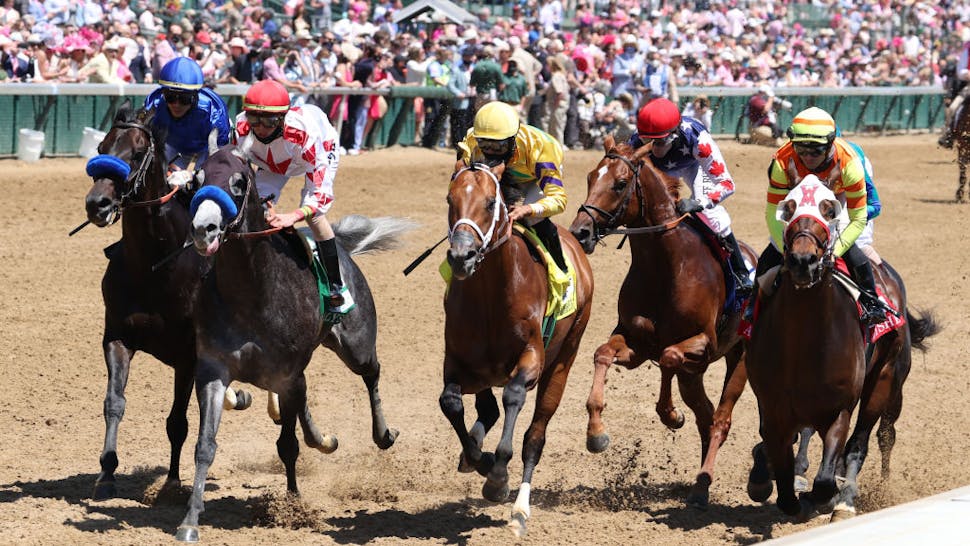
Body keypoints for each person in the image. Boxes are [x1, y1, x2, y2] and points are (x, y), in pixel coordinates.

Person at [755, 107, 892, 325]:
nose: (808, 157)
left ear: (830, 143)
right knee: (767, 257)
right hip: (800, 204)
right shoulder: (782, 159)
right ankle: (751, 307)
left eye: (816, 151)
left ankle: (872, 302)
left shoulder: (850, 162)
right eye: (801, 150)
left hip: (837, 204)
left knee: (856, 253)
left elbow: (860, 217)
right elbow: (773, 211)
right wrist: (784, 248)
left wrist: (835, 251)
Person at [235, 80, 347, 308]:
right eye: (254, 119)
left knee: (313, 215)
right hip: (272, 162)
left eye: (268, 120)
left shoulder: (306, 136)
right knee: (254, 204)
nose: (260, 127)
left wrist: (293, 216)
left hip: (316, 149)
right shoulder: (240, 128)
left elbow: (320, 196)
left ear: (283, 118)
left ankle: (335, 284)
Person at [629, 97, 753, 297]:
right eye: (647, 142)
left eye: (661, 142)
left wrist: (699, 203)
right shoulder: (635, 141)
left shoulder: (697, 138)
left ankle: (740, 271)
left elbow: (726, 184)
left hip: (693, 165)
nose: (655, 149)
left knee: (712, 215)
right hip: (660, 172)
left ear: (676, 133)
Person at [456, 101, 568, 274]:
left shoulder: (541, 149)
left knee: (533, 219)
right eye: (485, 145)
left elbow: (559, 200)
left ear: (513, 139)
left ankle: (562, 269)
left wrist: (527, 209)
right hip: (502, 172)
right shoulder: (472, 141)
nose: (491, 151)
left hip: (534, 178)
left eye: (498, 146)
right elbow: (459, 184)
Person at [145, 57, 230, 184]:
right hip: (173, 147)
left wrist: (193, 174)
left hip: (206, 149)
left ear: (195, 96)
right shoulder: (155, 105)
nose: (177, 104)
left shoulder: (212, 112)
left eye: (185, 99)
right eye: (170, 97)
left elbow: (219, 154)